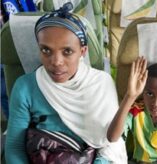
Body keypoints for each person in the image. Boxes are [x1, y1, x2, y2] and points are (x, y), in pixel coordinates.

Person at [5, 2, 126, 164]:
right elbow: (15, 146)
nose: (56, 62)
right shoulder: (25, 87)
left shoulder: (101, 84)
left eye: (67, 51)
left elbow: (109, 144)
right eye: (46, 50)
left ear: (82, 51)